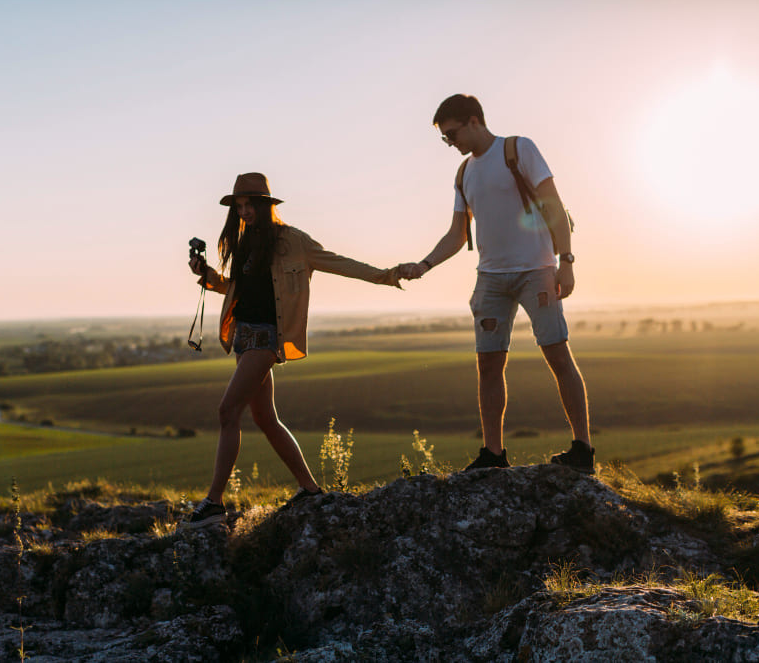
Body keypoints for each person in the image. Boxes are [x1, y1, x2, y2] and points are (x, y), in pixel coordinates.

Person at [182, 172, 404, 527]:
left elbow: (338, 261)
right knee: (265, 419)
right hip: (243, 337)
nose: (244, 212)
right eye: (238, 206)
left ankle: (213, 504)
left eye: (249, 204)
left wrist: (385, 275)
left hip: (267, 338)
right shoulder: (242, 243)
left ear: (265, 205)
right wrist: (207, 275)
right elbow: (237, 290)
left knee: (227, 412)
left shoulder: (292, 241)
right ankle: (310, 490)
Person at [400, 94, 595, 474]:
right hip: (489, 277)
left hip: (536, 270)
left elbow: (553, 203)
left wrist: (566, 261)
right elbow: (458, 235)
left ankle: (582, 449)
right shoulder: (463, 174)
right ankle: (493, 454)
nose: (450, 144)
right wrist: (424, 265)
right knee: (488, 364)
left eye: (451, 134)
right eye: (444, 138)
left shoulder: (517, 149)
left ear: (474, 121)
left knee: (557, 355)